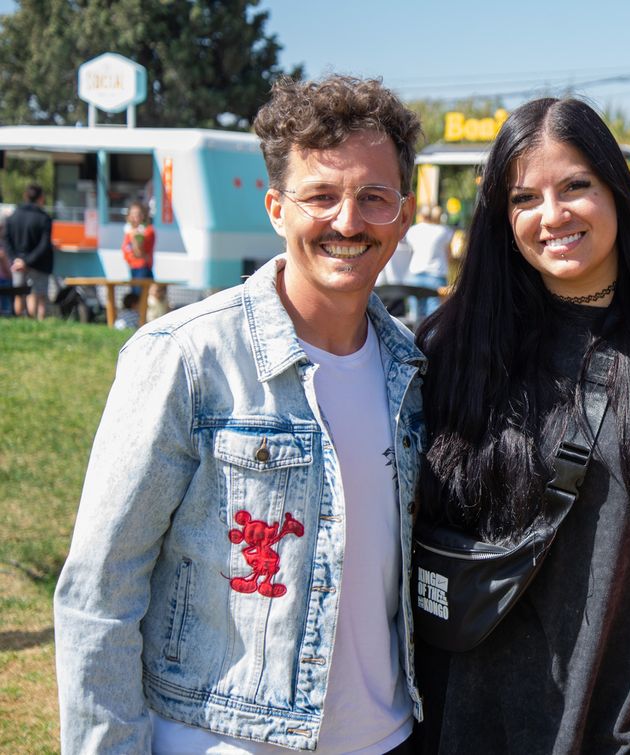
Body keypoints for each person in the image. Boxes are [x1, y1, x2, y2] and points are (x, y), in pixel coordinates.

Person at [54, 74, 427, 753]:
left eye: (374, 198)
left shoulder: (413, 369)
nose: (348, 222)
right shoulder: (186, 358)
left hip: (388, 737)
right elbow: (99, 595)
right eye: (321, 196)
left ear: (403, 215)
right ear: (277, 209)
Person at [414, 97, 630, 753]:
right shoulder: (454, 347)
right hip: (480, 725)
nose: (551, 215)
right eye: (524, 198)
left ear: (616, 190)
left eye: (575, 186)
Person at [4, 183, 54, 320]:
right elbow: (44, 245)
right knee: (37, 294)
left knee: (19, 294)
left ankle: (20, 322)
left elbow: (6, 241)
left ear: (25, 196)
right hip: (38, 264)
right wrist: (27, 261)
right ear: (41, 198)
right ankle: (37, 324)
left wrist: (16, 260)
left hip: (17, 264)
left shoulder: (13, 217)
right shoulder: (44, 218)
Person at [402, 204, 453, 319]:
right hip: (436, 275)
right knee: (434, 316)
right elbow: (449, 254)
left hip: (415, 274)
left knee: (415, 316)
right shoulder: (444, 231)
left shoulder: (412, 231)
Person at [121, 200, 156, 293]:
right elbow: (126, 250)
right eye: (132, 214)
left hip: (142, 269)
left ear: (143, 216)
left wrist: (133, 237)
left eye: (137, 214)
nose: (134, 218)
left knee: (140, 297)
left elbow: (139, 253)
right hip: (133, 268)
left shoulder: (146, 231)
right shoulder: (129, 231)